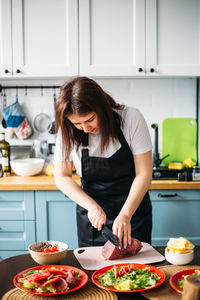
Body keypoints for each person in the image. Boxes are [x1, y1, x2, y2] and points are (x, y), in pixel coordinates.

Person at [54, 76, 153, 248]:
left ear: (102, 108)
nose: (85, 128)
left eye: (90, 119)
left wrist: (126, 215)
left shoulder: (130, 118)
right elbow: (62, 176)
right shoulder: (68, 129)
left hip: (132, 214)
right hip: (94, 221)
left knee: (138, 271)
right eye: (77, 123)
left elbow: (144, 173)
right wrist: (91, 206)